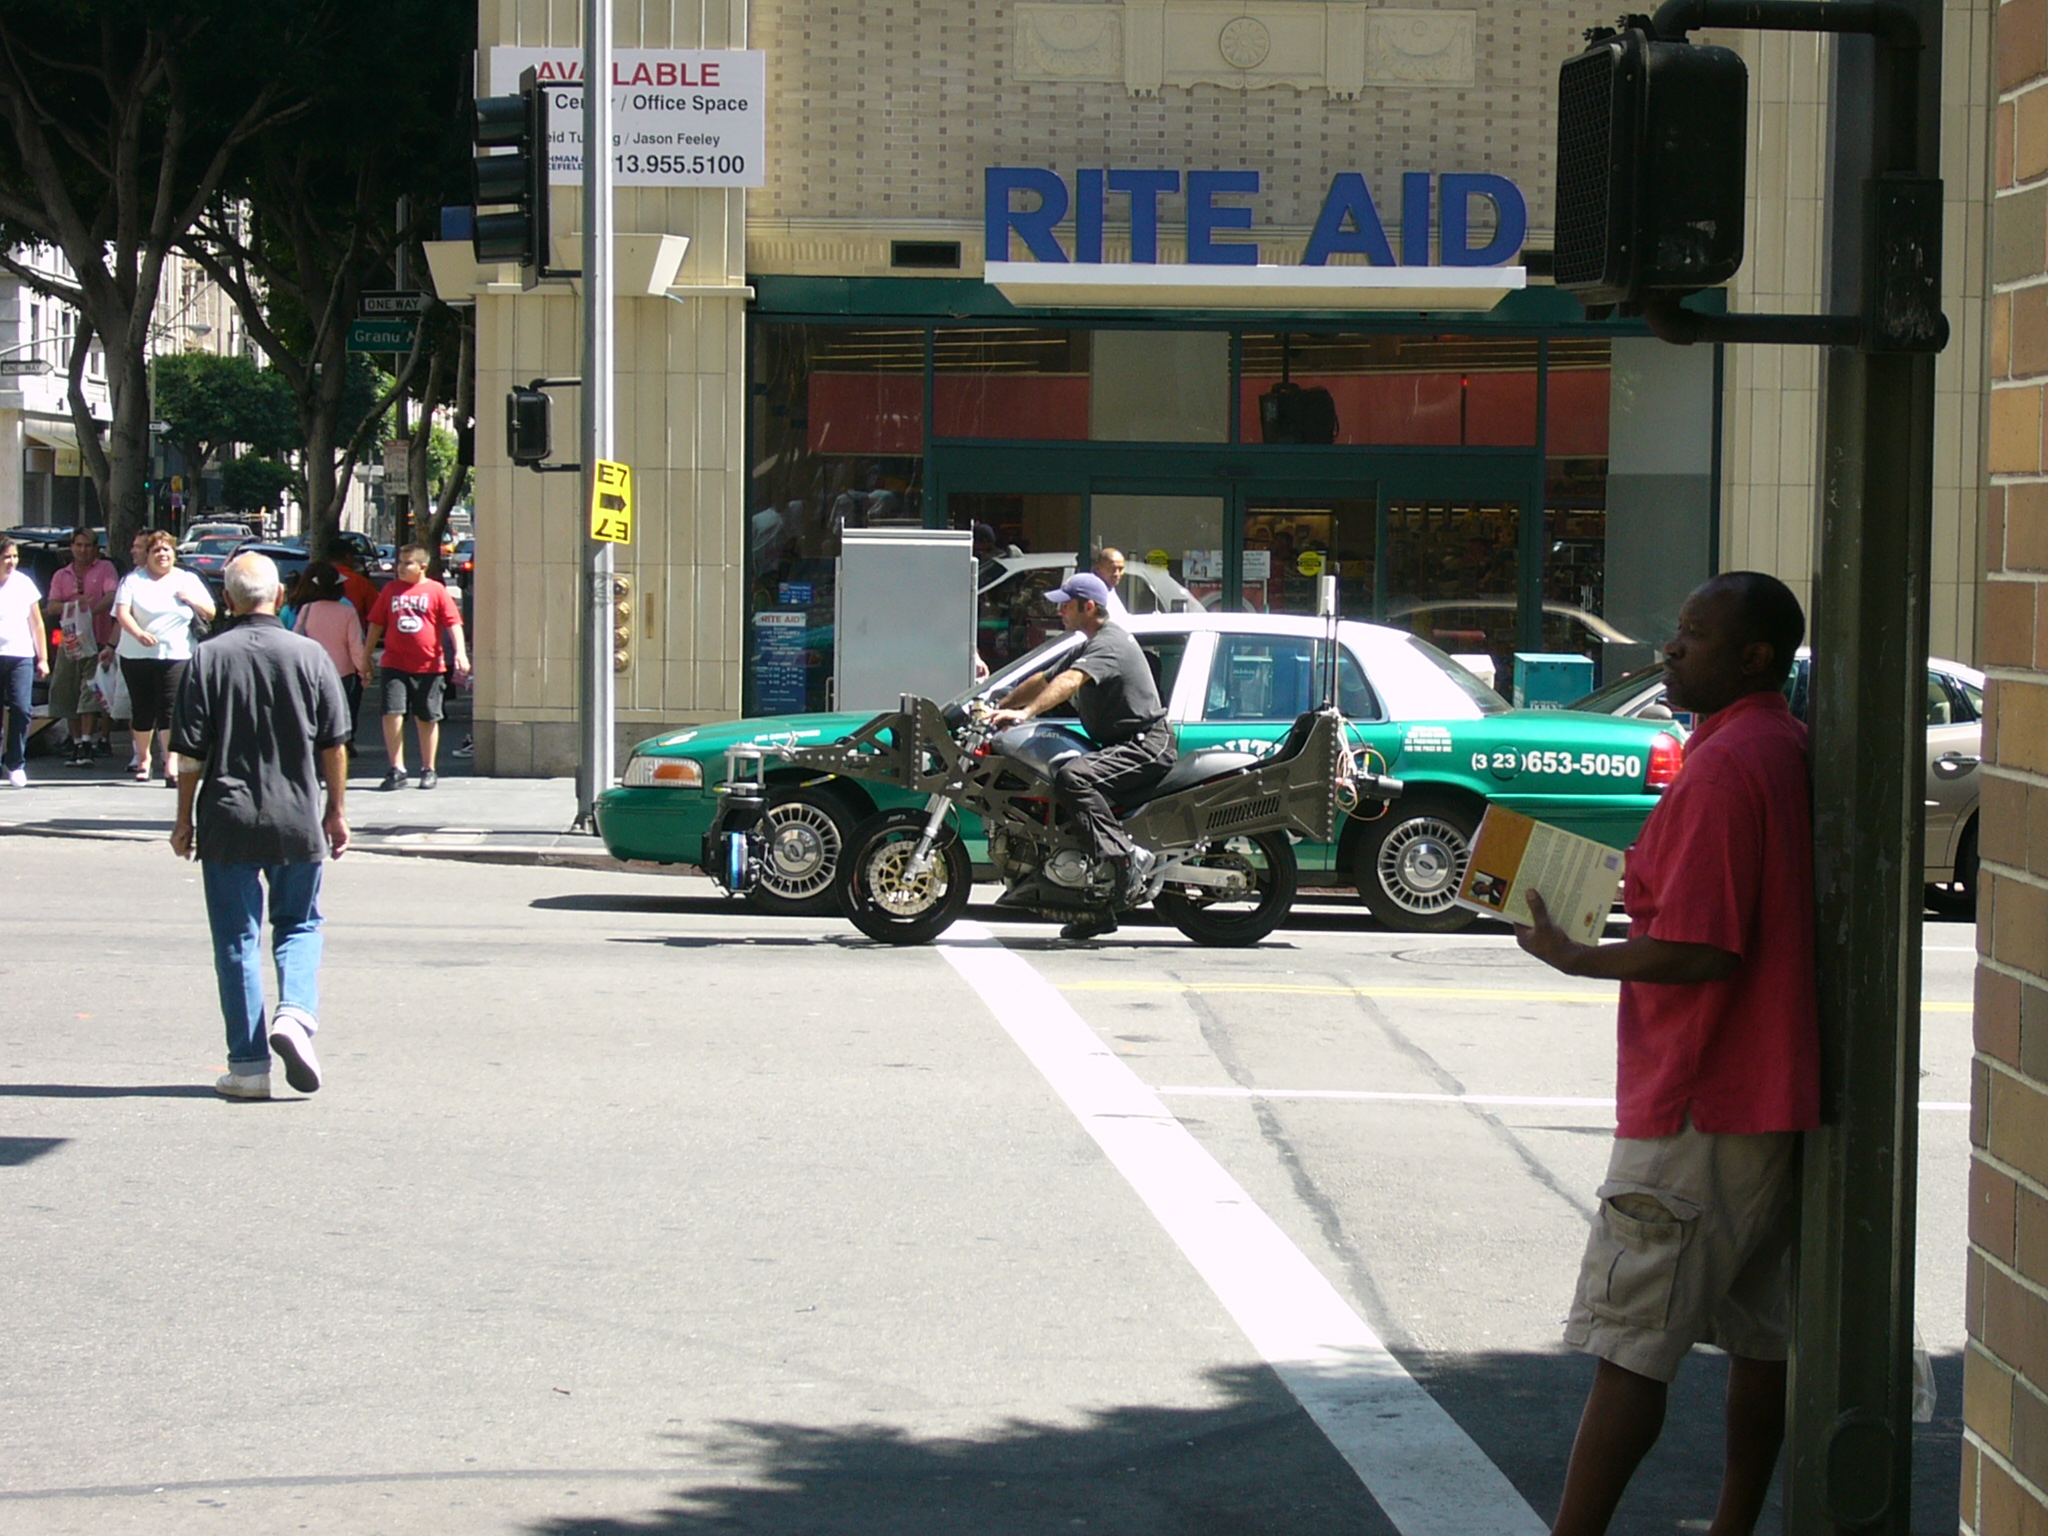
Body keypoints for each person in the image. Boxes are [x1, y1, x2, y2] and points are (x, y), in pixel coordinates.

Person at [1512, 571, 1817, 1536]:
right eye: (1677, 627)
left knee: (1631, 1341)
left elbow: (1703, 948)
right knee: (1762, 1336)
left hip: (1698, 1093)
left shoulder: (1727, 769)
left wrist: (1578, 956)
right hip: (1767, 1093)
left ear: (1755, 656)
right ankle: (1734, 1524)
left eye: (1695, 633)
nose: (1672, 647)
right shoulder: (1776, 745)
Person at [170, 551, 350, 1100]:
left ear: (227, 600)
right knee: (299, 924)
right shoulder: (310, 656)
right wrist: (336, 811)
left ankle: (248, 1067)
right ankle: (295, 1014)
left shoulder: (207, 658)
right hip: (297, 816)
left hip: (227, 818)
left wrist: (183, 820)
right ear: (279, 595)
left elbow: (191, 755)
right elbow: (334, 744)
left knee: (237, 940)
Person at [987, 570, 1175, 942]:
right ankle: (1093, 909)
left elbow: (1070, 681)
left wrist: (1027, 714)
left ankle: (1123, 859)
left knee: (1073, 777)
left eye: (1066, 605)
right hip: (1124, 744)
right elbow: (1045, 679)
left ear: (1088, 607)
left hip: (1145, 746)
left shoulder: (1109, 644)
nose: (1059, 611)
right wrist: (1000, 706)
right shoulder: (1090, 643)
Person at [113, 530, 216, 785]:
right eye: (156, 550)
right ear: (147, 555)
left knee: (170, 708)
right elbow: (122, 613)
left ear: (174, 553)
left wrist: (191, 600)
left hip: (177, 653)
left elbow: (211, 612)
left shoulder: (187, 579)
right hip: (137, 654)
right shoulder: (132, 581)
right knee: (142, 709)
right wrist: (138, 634)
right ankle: (143, 759)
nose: (162, 555)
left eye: (166, 549)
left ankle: (171, 763)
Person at [364, 543, 469, 790]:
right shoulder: (391, 590)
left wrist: (460, 653)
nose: (401, 568)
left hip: (429, 665)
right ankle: (397, 768)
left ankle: (428, 768)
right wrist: (365, 655)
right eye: (399, 563)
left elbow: (453, 623)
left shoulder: (436, 590)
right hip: (394, 663)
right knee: (392, 712)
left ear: (422, 566)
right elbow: (376, 623)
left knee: (427, 717)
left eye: (407, 563)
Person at [44, 528, 119, 764]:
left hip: (98, 639)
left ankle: (88, 741)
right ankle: (76, 742)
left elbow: (112, 595)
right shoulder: (61, 575)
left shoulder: (105, 568)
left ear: (95, 548)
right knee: (68, 691)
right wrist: (76, 609)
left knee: (91, 690)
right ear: (72, 547)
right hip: (70, 642)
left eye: (87, 545)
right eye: (78, 545)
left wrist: (90, 612)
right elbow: (52, 606)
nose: (82, 550)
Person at [290, 562, 372, 742]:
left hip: (312, 670)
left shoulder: (307, 609)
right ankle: (340, 743)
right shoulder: (348, 612)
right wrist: (364, 671)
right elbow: (356, 647)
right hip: (342, 672)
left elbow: (296, 639)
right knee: (340, 713)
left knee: (315, 711)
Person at [0, 536, 50, 788]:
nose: (11, 562)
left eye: (15, 556)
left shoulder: (24, 583)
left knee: (21, 708)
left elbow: (37, 623)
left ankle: (15, 762)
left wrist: (43, 658)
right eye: (6, 557)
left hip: (20, 655)